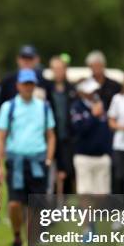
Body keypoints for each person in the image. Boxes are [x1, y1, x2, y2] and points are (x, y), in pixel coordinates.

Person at [0, 69, 56, 246]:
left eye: (31, 84)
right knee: (14, 204)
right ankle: (17, 238)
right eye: (25, 84)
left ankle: (31, 243)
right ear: (18, 85)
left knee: (35, 206)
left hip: (38, 161)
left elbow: (51, 135)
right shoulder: (9, 107)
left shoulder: (43, 107)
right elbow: (0, 137)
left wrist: (48, 158)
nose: (28, 87)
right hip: (17, 162)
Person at [70, 78, 112, 237]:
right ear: (82, 92)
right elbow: (79, 130)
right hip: (83, 156)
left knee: (101, 195)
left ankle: (91, 218)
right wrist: (93, 116)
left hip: (102, 156)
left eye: (94, 91)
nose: (93, 93)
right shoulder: (77, 107)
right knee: (85, 193)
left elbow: (107, 131)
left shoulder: (101, 105)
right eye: (90, 91)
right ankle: (87, 228)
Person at [0, 45, 52, 127]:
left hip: (38, 129)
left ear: (37, 60)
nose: (26, 61)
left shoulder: (45, 83)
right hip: (13, 129)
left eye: (30, 58)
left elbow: (51, 110)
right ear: (18, 59)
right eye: (24, 58)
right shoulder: (8, 81)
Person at [47, 56, 76, 196]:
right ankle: (55, 203)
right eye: (55, 69)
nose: (58, 72)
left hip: (69, 136)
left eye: (61, 69)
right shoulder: (47, 90)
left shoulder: (72, 90)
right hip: (52, 135)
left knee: (70, 170)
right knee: (55, 170)